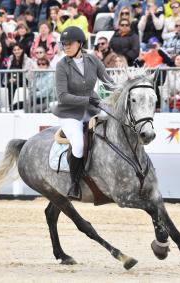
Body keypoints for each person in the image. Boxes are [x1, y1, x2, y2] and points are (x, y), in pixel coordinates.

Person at [53, 26, 114, 200]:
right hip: (70, 113)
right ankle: (74, 184)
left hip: (92, 108)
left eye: (69, 43)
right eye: (64, 44)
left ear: (80, 43)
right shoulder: (61, 66)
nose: (66, 46)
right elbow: (63, 96)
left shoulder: (93, 60)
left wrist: (125, 87)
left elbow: (108, 82)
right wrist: (87, 100)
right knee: (78, 145)